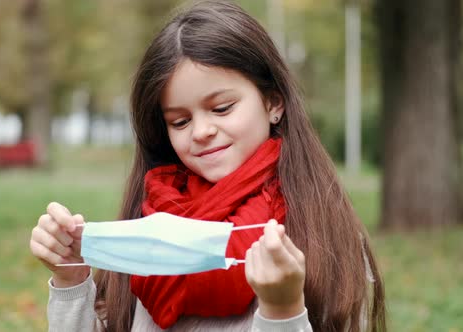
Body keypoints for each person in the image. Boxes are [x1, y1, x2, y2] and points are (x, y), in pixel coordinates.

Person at [29, 1, 386, 331]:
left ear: (273, 102)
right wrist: (70, 280)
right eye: (180, 122)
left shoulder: (323, 234)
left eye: (221, 108)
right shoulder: (152, 225)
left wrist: (283, 310)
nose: (201, 132)